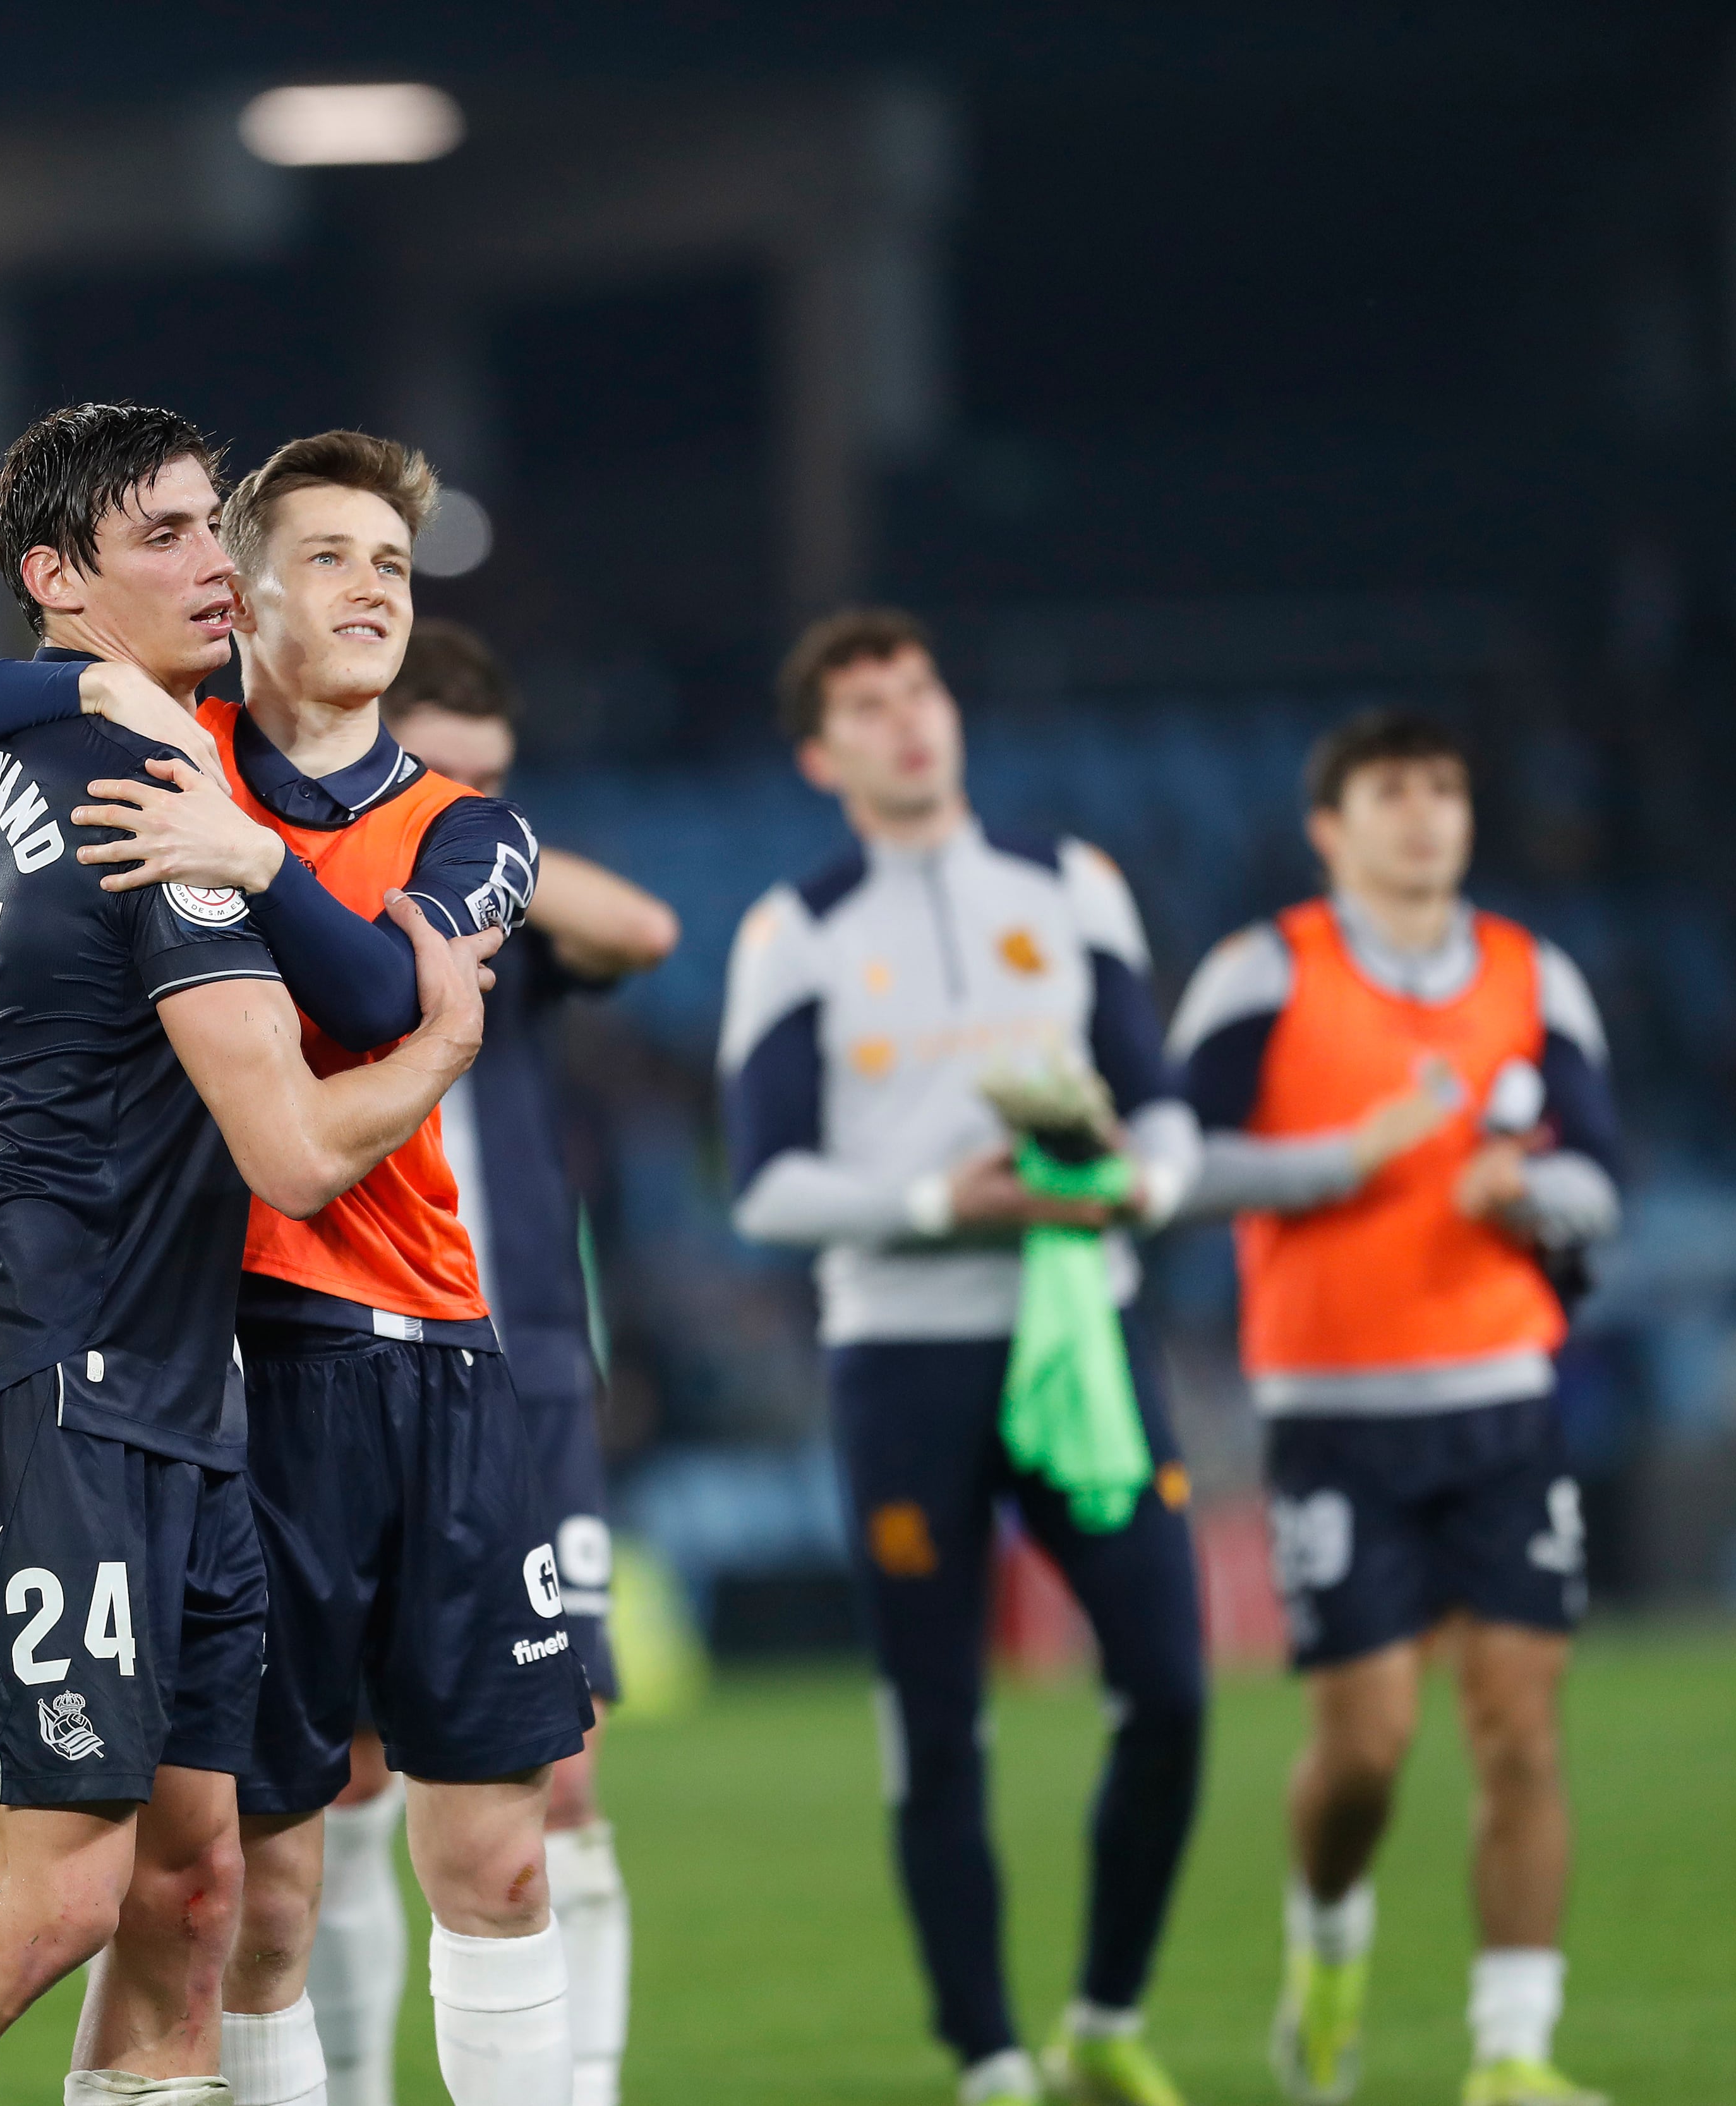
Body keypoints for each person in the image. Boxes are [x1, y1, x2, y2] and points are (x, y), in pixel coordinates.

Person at [0, 433, 598, 2106]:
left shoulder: (440, 824)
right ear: (254, 599)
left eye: (393, 564)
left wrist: (245, 847)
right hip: (169, 1361)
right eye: (314, 555)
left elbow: (388, 989)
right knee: (154, 1891)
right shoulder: (145, 782)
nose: (368, 589)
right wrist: (94, 698)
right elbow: (310, 1127)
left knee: (237, 1879)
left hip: (358, 1364)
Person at [718, 608, 1205, 2106]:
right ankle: (989, 2051)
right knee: (936, 1720)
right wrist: (945, 1200)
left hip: (1082, 1324)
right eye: (864, 706)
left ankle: (1106, 2011)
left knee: (1175, 1689)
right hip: (903, 1361)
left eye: (917, 688)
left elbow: (1165, 1107)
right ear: (821, 754)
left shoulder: (1069, 887)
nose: (905, 720)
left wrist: (1146, 1184)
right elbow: (765, 1184)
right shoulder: (795, 928)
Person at [1165, 711, 1618, 2106]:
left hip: (1500, 1400)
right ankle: (1327, 1943)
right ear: (1331, 825)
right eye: (1392, 791)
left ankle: (1512, 2051)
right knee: (1364, 1746)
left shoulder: (1531, 975)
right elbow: (1167, 1159)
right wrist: (1335, 1161)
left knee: (1518, 1730)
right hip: (1334, 1413)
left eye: (1445, 790)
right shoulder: (1263, 973)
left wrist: (1530, 1192)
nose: (1424, 815)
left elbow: (1604, 1175)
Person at [368, 619, 678, 2106]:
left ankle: (583, 2085)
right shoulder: (329, 910)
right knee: (346, 1780)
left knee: (562, 1768)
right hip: (351, 1357)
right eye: (445, 774)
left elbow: (649, 931)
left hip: (526, 1372)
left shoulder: (511, 919)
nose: (476, 802)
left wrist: (470, 833)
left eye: (500, 781)